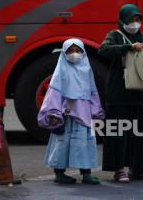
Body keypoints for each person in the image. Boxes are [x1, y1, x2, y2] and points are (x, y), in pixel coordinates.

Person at [98, 4, 143, 183]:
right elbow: (103, 50)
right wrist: (128, 47)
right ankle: (119, 169)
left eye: (137, 19)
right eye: (131, 20)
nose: (134, 23)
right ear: (122, 20)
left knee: (140, 132)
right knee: (119, 131)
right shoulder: (115, 35)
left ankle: (139, 168)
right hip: (119, 93)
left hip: (140, 93)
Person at [37, 38, 104, 185]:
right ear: (64, 52)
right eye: (70, 51)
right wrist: (54, 113)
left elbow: (92, 91)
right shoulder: (61, 69)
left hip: (84, 114)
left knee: (84, 143)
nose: (74, 54)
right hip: (66, 113)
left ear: (83, 52)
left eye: (78, 50)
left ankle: (86, 174)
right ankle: (59, 173)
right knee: (63, 142)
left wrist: (96, 111)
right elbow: (53, 93)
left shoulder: (87, 69)